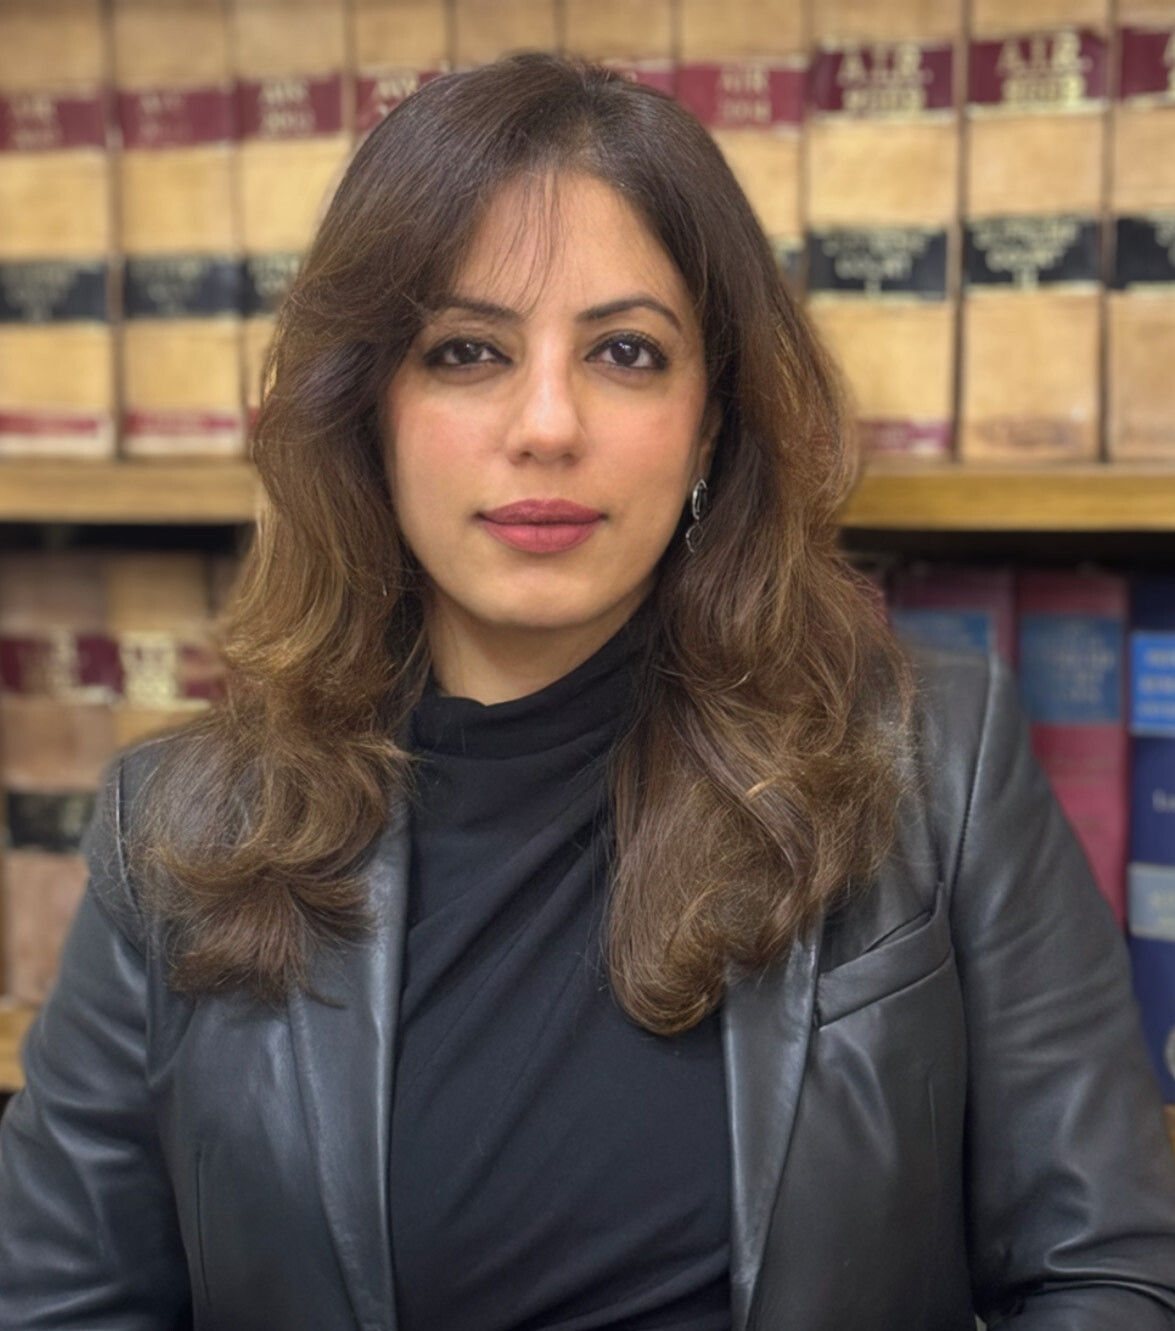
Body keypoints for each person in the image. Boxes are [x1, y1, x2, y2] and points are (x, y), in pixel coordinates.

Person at [1, 53, 1174, 1331]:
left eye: (625, 351)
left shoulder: (934, 761)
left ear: (710, 418)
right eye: (465, 351)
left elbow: (1103, 1273)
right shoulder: (173, 833)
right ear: (367, 409)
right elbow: (61, 1304)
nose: (547, 423)